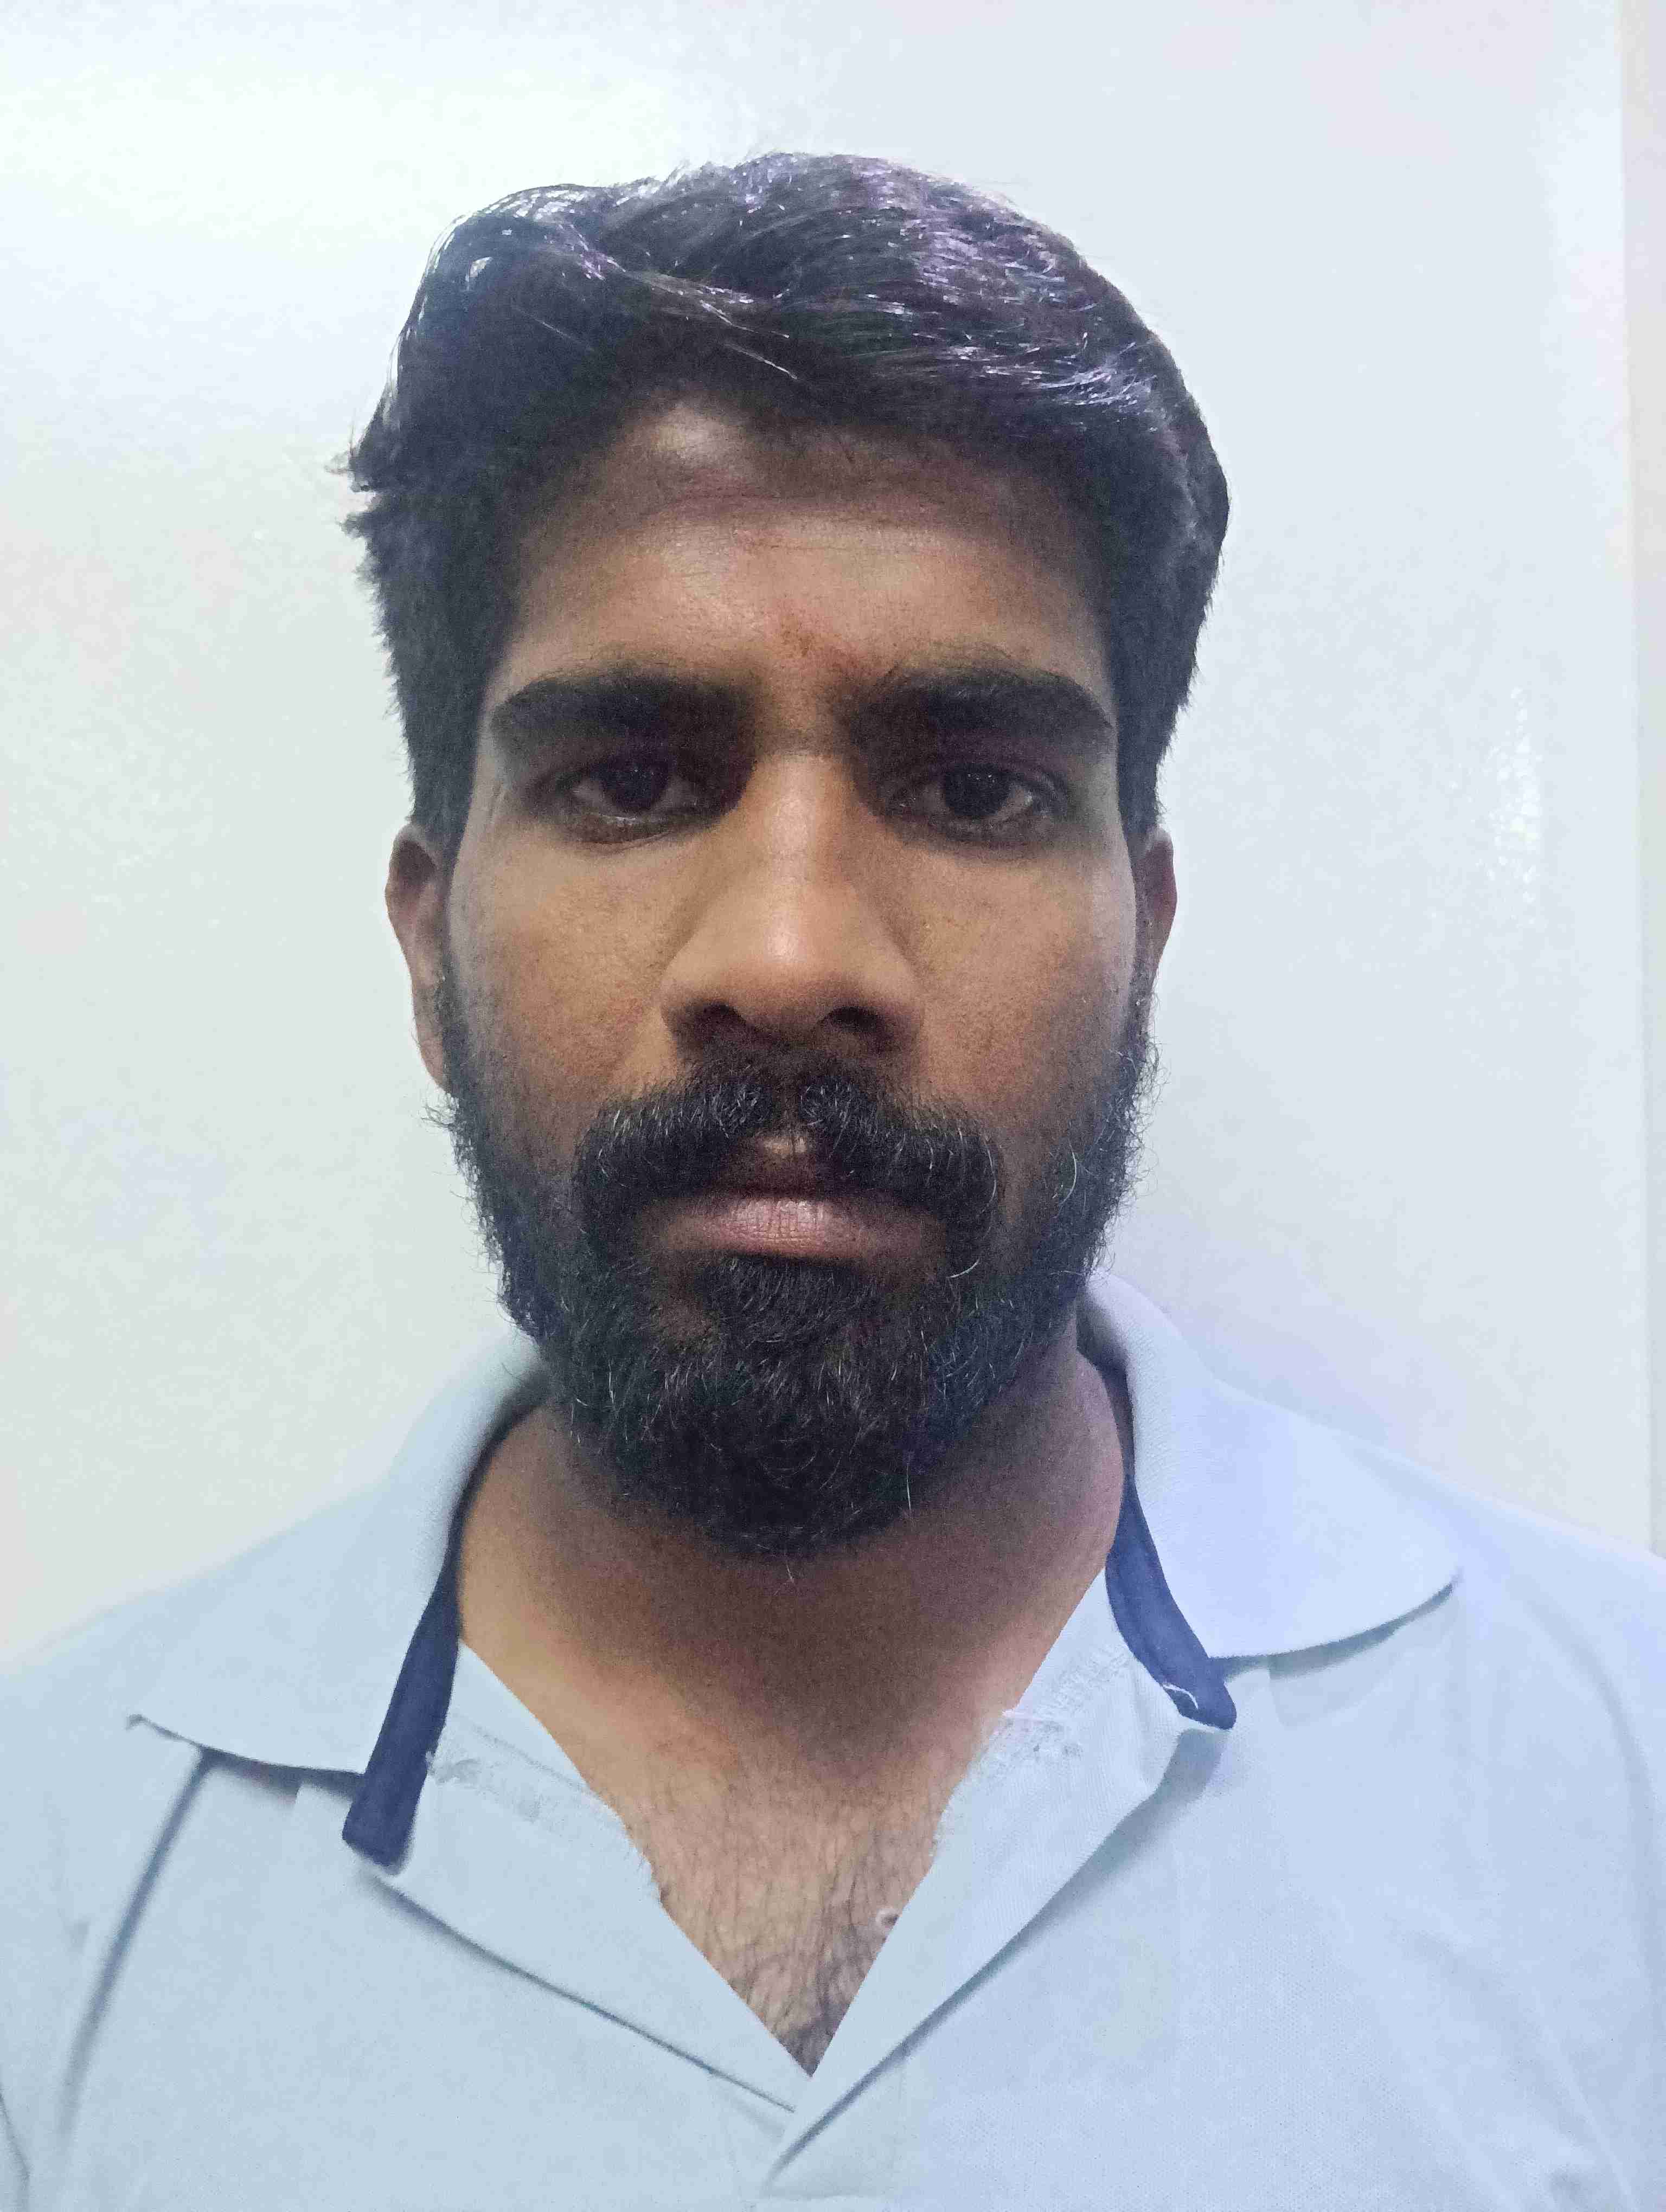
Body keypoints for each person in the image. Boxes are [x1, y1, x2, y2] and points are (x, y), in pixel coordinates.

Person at [3, 152, 1662, 2212]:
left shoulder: (1614, 1789)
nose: (789, 962)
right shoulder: (51, 1873)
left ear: (1142, 939)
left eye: (972, 788)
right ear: (431, 945)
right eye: (631, 781)